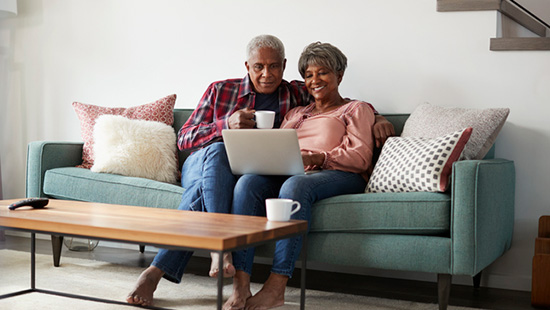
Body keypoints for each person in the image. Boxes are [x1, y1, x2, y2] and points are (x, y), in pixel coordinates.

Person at [127, 35, 394, 307]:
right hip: (205, 160)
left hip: (286, 172)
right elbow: (183, 139)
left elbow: (347, 106)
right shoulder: (224, 91)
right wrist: (225, 126)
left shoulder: (296, 95)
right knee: (222, 157)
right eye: (259, 67)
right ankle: (226, 257)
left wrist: (378, 117)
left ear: (284, 66)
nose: (267, 74)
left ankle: (169, 271)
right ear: (247, 66)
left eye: (274, 67)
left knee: (244, 183)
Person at [223, 42, 377, 310]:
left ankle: (276, 287)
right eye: (308, 75)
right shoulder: (295, 113)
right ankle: (241, 282)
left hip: (339, 173)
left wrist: (319, 158)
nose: (315, 80)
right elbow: (277, 146)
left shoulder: (355, 110)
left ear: (339, 76)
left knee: (295, 185)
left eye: (323, 73)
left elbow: (361, 157)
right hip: (295, 171)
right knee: (248, 183)